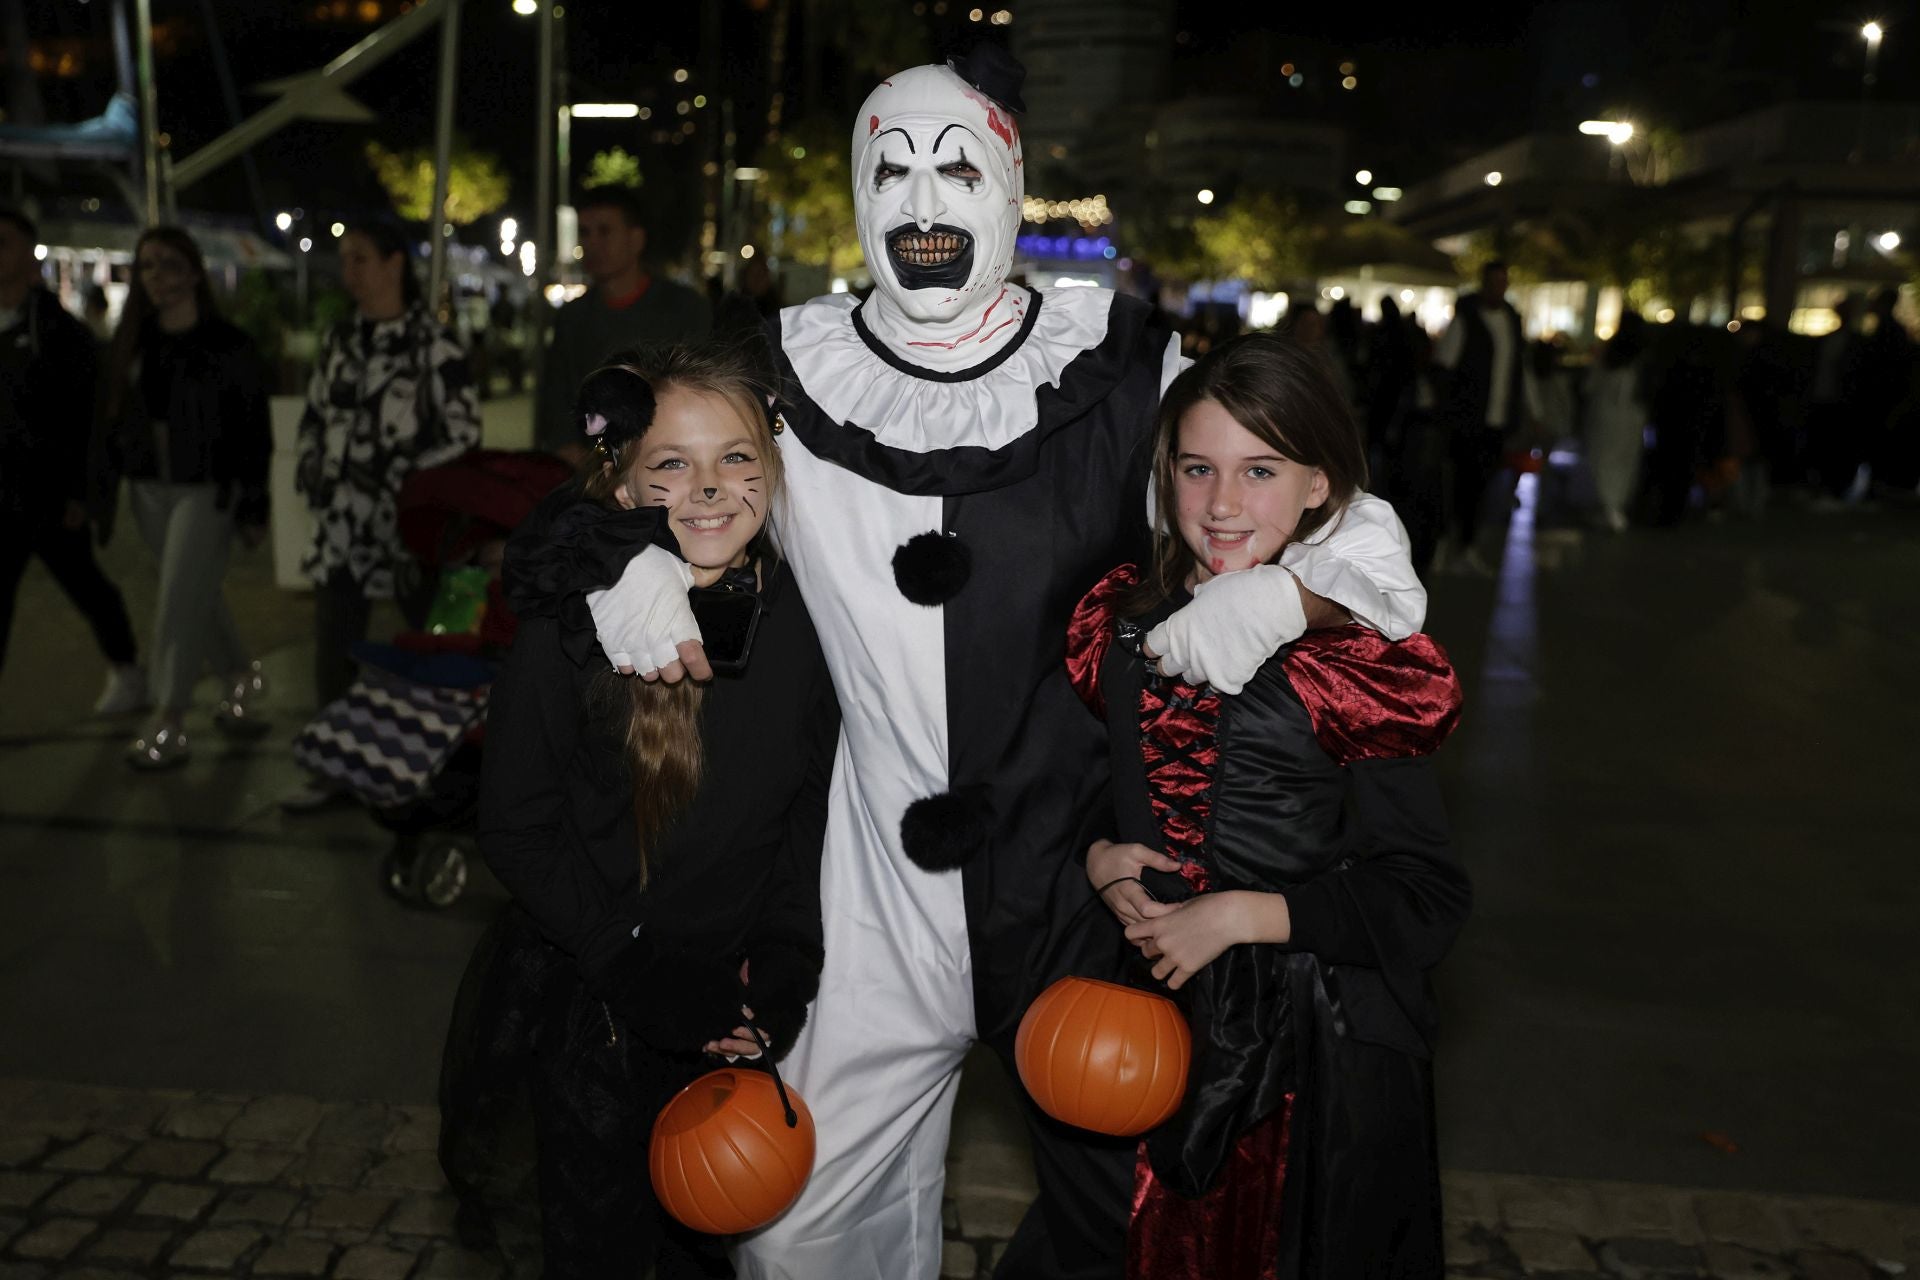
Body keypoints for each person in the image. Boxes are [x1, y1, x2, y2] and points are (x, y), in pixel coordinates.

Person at [508, 49, 1425, 1279]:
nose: (924, 201)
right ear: (855, 194)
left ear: (1010, 181)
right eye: (890, 169)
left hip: (1079, 890)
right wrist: (624, 557)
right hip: (856, 897)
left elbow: (1344, 512)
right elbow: (623, 470)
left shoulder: (1121, 364)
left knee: (1133, 1223)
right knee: (801, 1231)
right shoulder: (785, 366)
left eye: (958, 167)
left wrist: (1286, 591)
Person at [1067, 332, 1471, 1278]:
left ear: (1320, 487)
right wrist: (1098, 856)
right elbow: (1093, 781)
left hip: (1315, 1055)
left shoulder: (1358, 668)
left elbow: (1426, 898)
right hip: (1151, 1025)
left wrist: (1245, 918)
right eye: (1198, 467)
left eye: (1260, 471)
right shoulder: (1122, 624)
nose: (1221, 504)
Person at [466, 343, 838, 1278]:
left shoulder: (810, 621)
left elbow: (806, 807)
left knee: (707, 1255)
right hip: (593, 1008)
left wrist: (788, 953)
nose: (709, 488)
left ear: (777, 469)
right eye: (671, 463)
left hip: (725, 1008)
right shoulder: (573, 628)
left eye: (737, 458)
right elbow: (515, 824)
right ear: (625, 484)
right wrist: (627, 961)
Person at [284, 220, 481, 811]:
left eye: (360, 258)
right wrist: (317, 471)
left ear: (395, 264)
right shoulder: (343, 340)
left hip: (408, 530)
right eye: (345, 260)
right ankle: (335, 768)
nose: (349, 272)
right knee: (334, 645)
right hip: (344, 526)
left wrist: (405, 480)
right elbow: (316, 418)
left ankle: (430, 765)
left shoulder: (435, 345)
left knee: (426, 646)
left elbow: (464, 432)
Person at [101, 226, 270, 769]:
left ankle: (169, 718)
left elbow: (252, 431)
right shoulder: (133, 342)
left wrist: (254, 505)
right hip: (150, 488)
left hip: (207, 489)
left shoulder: (229, 345)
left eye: (170, 265)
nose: (158, 277)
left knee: (175, 599)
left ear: (195, 272)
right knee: (194, 591)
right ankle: (241, 678)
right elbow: (112, 422)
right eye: (148, 266)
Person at [0, 207, 142, 710]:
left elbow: (87, 420)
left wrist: (82, 492)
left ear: (27, 254)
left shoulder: (59, 332)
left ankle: (126, 667)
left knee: (84, 584)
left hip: (47, 494)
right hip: (4, 493)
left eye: (6, 243)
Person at [534, 187, 712, 461]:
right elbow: (556, 402)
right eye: (585, 232)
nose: (592, 243)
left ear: (636, 239)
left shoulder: (684, 309)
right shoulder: (573, 317)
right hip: (591, 474)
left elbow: (704, 393)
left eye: (605, 231)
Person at [1433, 261, 1529, 575]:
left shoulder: (1511, 321)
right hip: (1469, 420)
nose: (1497, 289)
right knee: (1462, 484)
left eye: (1503, 282)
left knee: (1481, 485)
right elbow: (1444, 369)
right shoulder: (1467, 321)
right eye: (1493, 282)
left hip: (1496, 421)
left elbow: (1515, 371)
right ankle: (1452, 544)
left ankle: (1467, 544)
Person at [1585, 314, 1650, 532]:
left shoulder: (1610, 354)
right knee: (1625, 460)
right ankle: (1615, 507)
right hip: (1632, 415)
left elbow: (1592, 384)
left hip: (1608, 413)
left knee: (1605, 459)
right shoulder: (1642, 356)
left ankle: (1610, 507)